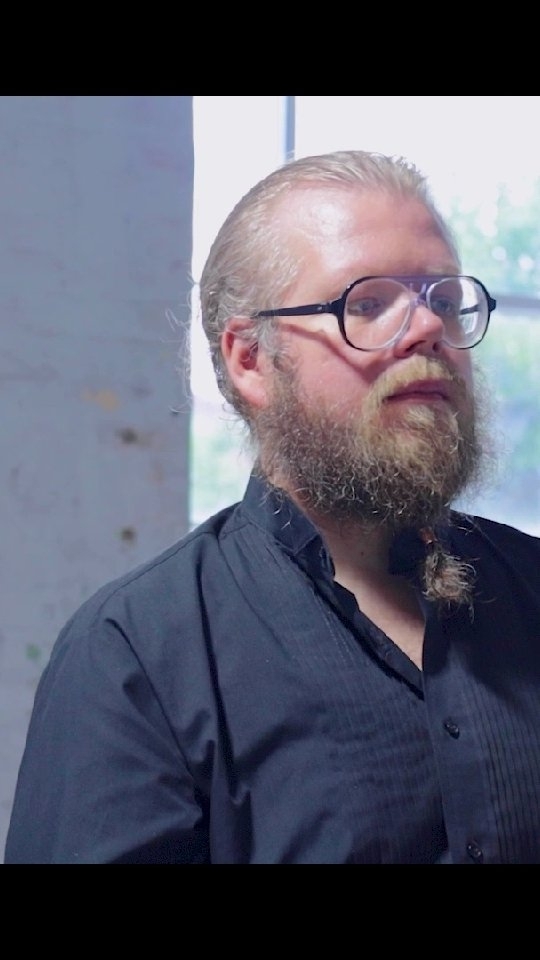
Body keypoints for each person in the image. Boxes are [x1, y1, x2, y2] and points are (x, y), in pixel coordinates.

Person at [5, 149, 540, 866]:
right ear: (250, 360)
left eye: (443, 299)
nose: (428, 329)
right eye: (367, 304)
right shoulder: (136, 655)